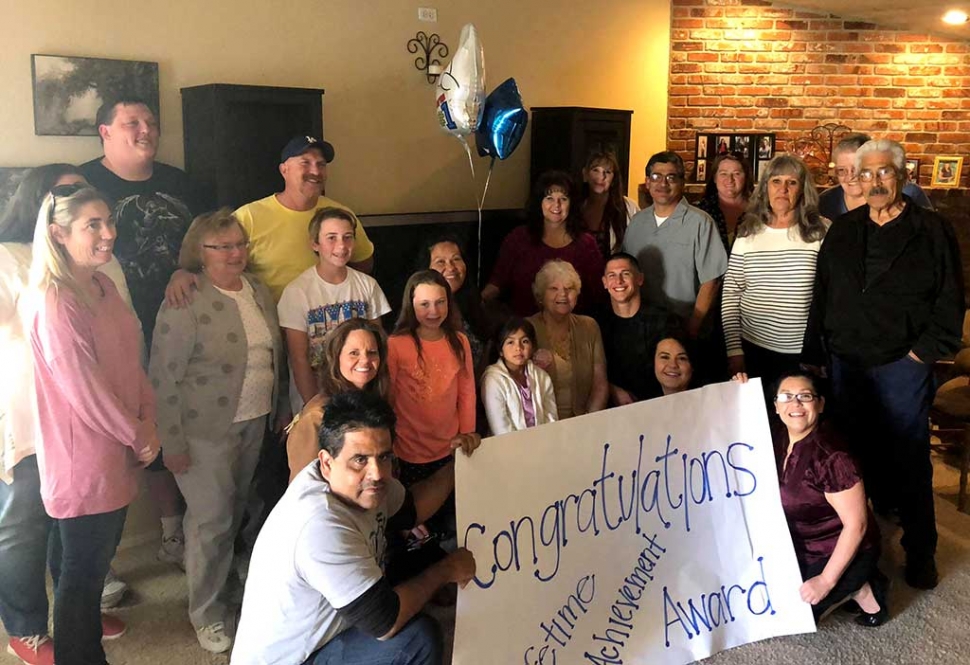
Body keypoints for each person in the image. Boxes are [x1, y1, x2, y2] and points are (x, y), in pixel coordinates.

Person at [804, 139, 965, 590]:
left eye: (884, 173)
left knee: (910, 460)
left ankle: (920, 552)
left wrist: (921, 355)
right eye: (865, 173)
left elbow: (951, 298)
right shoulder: (845, 228)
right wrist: (815, 352)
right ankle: (860, 555)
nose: (873, 182)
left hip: (901, 365)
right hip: (846, 364)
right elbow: (823, 293)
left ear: (902, 175)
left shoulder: (931, 229)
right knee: (852, 463)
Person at [231, 391, 478, 665]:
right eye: (360, 460)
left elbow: (412, 507)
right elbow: (385, 622)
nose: (376, 473)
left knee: (409, 568)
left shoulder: (357, 484)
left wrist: (457, 464)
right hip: (294, 659)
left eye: (384, 457)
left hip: (323, 639)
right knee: (415, 641)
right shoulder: (319, 523)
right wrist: (447, 570)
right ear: (326, 462)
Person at [0, 167, 135, 664]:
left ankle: (76, 613)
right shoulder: (12, 259)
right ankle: (27, 627)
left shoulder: (99, 265)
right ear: (46, 210)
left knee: (74, 536)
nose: (104, 230)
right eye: (67, 192)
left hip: (90, 420)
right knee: (24, 525)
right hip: (31, 413)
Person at [29, 185, 159, 665]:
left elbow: (131, 357)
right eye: (93, 225)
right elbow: (84, 390)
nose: (109, 234)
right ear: (59, 234)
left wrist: (148, 418)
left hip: (121, 448)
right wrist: (138, 433)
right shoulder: (56, 301)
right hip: (84, 461)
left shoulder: (103, 285)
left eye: (109, 221)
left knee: (85, 567)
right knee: (80, 581)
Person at [149, 209, 288, 653]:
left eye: (239, 244)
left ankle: (229, 588)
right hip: (202, 431)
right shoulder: (184, 299)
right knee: (211, 520)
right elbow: (163, 377)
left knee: (238, 511)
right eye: (222, 247)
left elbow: (274, 360)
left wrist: (279, 411)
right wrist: (171, 443)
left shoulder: (259, 291)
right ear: (200, 253)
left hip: (255, 421)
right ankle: (205, 613)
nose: (234, 253)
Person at [80, 96, 192, 565]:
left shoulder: (181, 182)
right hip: (113, 327)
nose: (145, 129)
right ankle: (98, 562)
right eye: (132, 122)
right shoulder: (85, 183)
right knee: (115, 435)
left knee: (172, 427)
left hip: (182, 323)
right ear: (105, 131)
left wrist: (188, 268)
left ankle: (173, 533)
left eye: (150, 121)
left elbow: (206, 238)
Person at [737, 371, 887, 626]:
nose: (795, 404)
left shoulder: (833, 457)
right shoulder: (773, 436)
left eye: (805, 396)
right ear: (775, 406)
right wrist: (737, 393)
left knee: (793, 614)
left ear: (820, 404)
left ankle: (863, 587)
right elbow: (733, 426)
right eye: (786, 397)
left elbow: (857, 525)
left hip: (838, 547)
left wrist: (825, 581)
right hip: (793, 541)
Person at [721, 154, 829, 395]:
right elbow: (731, 294)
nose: (783, 189)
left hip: (804, 354)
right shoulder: (748, 232)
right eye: (776, 181)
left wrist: (819, 350)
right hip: (754, 349)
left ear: (802, 190)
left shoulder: (821, 232)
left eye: (791, 182)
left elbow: (832, 295)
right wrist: (734, 350)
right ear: (765, 188)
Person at [277, 207, 389, 413]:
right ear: (315, 243)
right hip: (315, 399)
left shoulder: (368, 286)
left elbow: (377, 346)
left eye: (348, 237)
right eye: (331, 237)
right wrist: (315, 407)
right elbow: (298, 357)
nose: (341, 245)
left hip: (360, 401)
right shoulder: (297, 292)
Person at [622, 151, 727, 339]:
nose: (663, 183)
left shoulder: (700, 222)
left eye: (671, 177)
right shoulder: (637, 222)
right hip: (643, 327)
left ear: (682, 183)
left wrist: (693, 327)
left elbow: (711, 282)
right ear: (647, 182)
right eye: (656, 177)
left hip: (684, 328)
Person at [388, 271, 476, 488]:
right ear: (411, 305)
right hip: (408, 451)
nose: (433, 311)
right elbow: (387, 396)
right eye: (424, 304)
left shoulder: (460, 341)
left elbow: (466, 392)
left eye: (440, 303)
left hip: (450, 448)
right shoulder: (396, 344)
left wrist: (466, 434)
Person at [483, 171, 605, 316]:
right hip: (525, 331)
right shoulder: (518, 238)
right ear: (539, 202)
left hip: (573, 330)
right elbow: (496, 284)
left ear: (571, 204)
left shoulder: (586, 244)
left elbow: (600, 292)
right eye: (549, 198)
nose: (556, 205)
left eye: (563, 199)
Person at [286, 318, 390, 482]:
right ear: (336, 357)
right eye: (354, 353)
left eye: (372, 352)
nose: (365, 360)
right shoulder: (316, 417)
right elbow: (302, 488)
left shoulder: (375, 404)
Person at [528, 260, 608, 419]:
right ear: (541, 295)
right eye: (553, 288)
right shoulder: (527, 329)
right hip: (540, 425)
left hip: (583, 422)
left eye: (569, 288)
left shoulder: (589, 326)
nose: (563, 294)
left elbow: (600, 384)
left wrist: (589, 421)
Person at [597, 252, 676, 405]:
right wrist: (611, 390)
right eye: (612, 275)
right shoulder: (594, 322)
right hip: (610, 408)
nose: (618, 281)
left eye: (625, 274)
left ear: (640, 278)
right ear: (604, 282)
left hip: (658, 405)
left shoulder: (664, 320)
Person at [818, 133, 933, 221]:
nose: (850, 177)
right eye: (842, 170)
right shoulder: (826, 201)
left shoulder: (909, 192)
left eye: (856, 169)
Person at [420, 235, 492, 374]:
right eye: (440, 262)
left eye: (456, 259)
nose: (451, 267)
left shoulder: (474, 304)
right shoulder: (419, 314)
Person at [480, 317, 557, 435]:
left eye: (525, 341)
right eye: (510, 342)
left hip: (542, 444)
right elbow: (500, 428)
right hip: (508, 447)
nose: (518, 348)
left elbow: (551, 418)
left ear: (533, 347)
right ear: (500, 350)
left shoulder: (542, 377)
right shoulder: (493, 380)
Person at [579, 151, 639, 258]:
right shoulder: (575, 206)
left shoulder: (629, 207)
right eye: (595, 170)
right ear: (585, 174)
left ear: (614, 179)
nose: (601, 177)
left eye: (607, 172)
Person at [695, 151, 754, 253]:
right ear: (714, 178)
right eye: (723, 174)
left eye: (736, 174)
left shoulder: (759, 211)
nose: (730, 179)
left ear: (745, 177)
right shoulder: (701, 211)